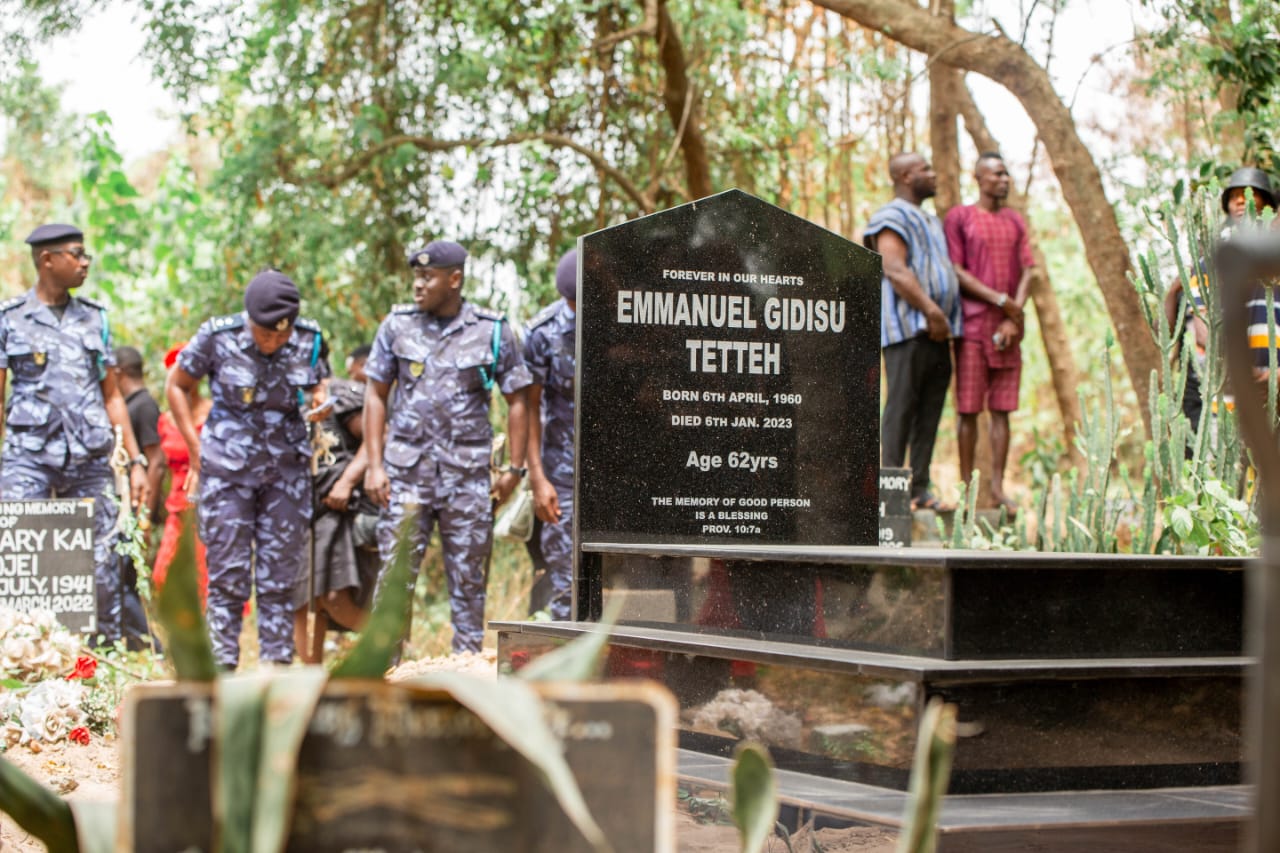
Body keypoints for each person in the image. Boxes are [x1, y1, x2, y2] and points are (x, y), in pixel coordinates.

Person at [364, 240, 532, 654]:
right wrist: (373, 466)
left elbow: (518, 399)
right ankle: (385, 670)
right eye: (415, 277)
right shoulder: (396, 326)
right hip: (405, 475)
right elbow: (375, 394)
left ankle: (466, 672)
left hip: (468, 479)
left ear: (454, 279)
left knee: (469, 580)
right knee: (394, 577)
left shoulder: (492, 331)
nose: (418, 285)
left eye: (427, 277)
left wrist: (514, 469)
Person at [166, 270, 330, 669]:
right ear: (249, 319)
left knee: (279, 577)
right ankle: (221, 666)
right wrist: (195, 447)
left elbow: (320, 383)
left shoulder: (310, 338)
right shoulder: (216, 336)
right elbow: (177, 384)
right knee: (227, 574)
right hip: (227, 473)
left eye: (281, 335)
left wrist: (321, 401)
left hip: (286, 475)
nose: (273, 341)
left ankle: (276, 663)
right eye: (264, 334)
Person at [0, 224, 149, 644]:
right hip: (27, 457)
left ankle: (98, 660)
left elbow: (113, 396)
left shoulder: (95, 318)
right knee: (21, 556)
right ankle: (20, 656)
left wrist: (135, 461)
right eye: (76, 254)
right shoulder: (9, 320)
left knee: (101, 559)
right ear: (48, 260)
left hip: (90, 456)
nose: (85, 262)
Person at [864, 153, 963, 512]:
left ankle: (919, 488)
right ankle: (890, 492)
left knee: (930, 410)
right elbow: (895, 269)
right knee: (901, 409)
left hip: (938, 334)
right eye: (925, 170)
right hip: (908, 330)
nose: (933, 174)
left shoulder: (932, 220)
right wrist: (933, 311)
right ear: (906, 176)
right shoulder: (891, 216)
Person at [944, 152, 1036, 514]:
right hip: (971, 326)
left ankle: (997, 489)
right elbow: (956, 270)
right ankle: (967, 490)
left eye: (1006, 173)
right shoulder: (960, 217)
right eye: (997, 174)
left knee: (1002, 410)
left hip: (1008, 329)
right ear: (979, 177)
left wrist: (1014, 315)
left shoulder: (1015, 221)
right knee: (968, 410)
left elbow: (1029, 270)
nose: (1004, 179)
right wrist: (1001, 300)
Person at [1165, 167, 1277, 433]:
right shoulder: (1211, 263)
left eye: (1250, 194)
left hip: (1275, 403)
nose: (1241, 201)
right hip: (1223, 403)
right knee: (1224, 470)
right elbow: (1202, 327)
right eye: (1234, 196)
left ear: (1269, 207)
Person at [293, 344, 379, 663]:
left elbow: (374, 437)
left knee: (333, 598)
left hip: (336, 508)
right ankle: (309, 673)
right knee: (304, 599)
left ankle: (387, 642)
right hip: (304, 510)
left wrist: (345, 482)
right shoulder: (290, 400)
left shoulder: (341, 393)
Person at [524, 249, 579, 619]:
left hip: (623, 469)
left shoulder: (632, 317)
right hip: (562, 471)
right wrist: (537, 478)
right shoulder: (542, 332)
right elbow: (529, 408)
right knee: (565, 574)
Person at [113, 345, 167, 648]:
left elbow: (156, 462)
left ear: (118, 371)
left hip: (136, 509)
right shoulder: (130, 404)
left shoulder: (143, 405)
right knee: (124, 578)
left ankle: (151, 644)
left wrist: (144, 515)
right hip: (127, 506)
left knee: (120, 578)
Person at [154, 344, 210, 599]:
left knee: (207, 579)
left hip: (211, 506)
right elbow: (158, 463)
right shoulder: (165, 420)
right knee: (163, 576)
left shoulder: (214, 411)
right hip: (177, 508)